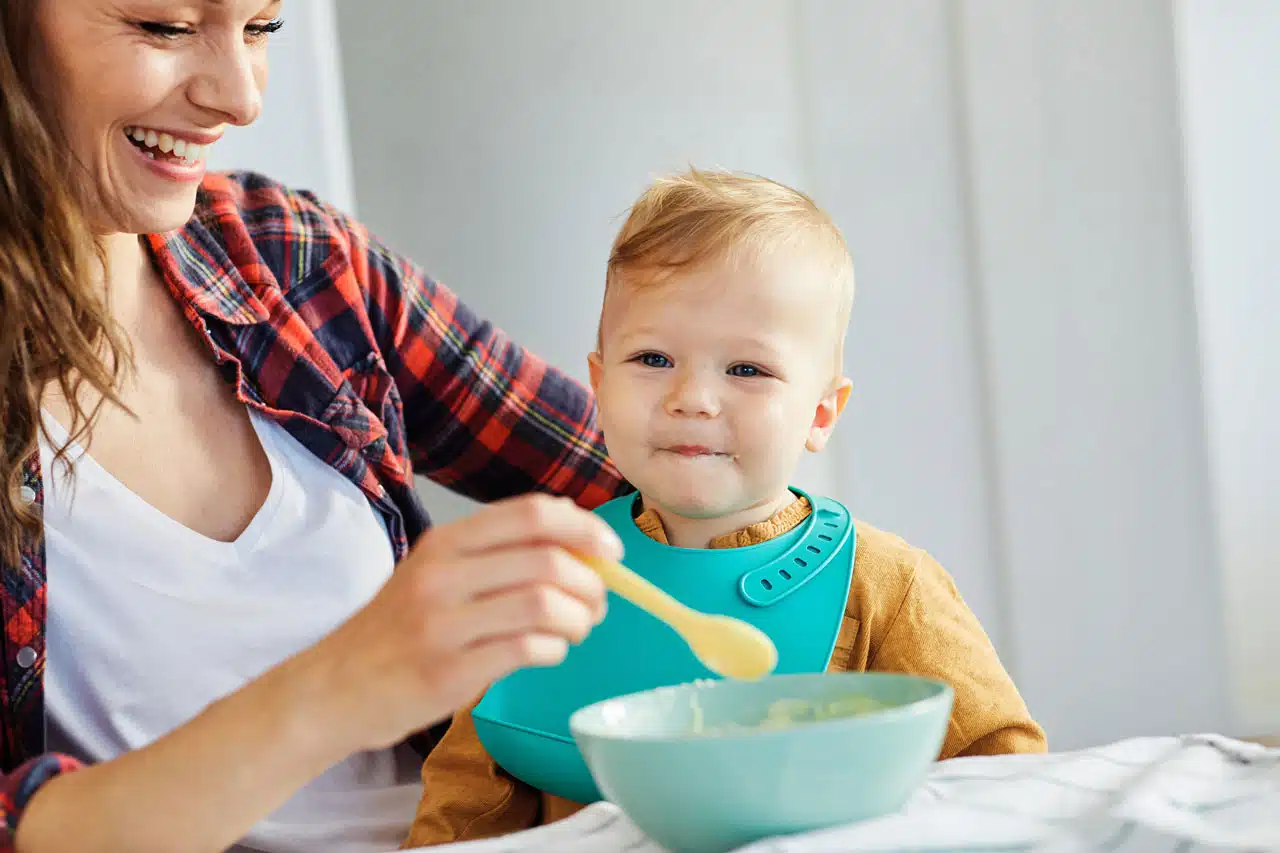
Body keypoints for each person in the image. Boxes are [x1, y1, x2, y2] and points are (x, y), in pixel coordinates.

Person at [0, 2, 636, 851]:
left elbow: (650, 476)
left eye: (262, 28)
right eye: (164, 25)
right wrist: (347, 682)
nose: (240, 99)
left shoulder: (290, 255)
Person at [403, 169, 1048, 846]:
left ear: (821, 411)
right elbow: (462, 806)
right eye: (653, 357)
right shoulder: (547, 589)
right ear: (598, 385)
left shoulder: (887, 583)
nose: (693, 398)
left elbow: (1004, 778)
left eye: (746, 369)